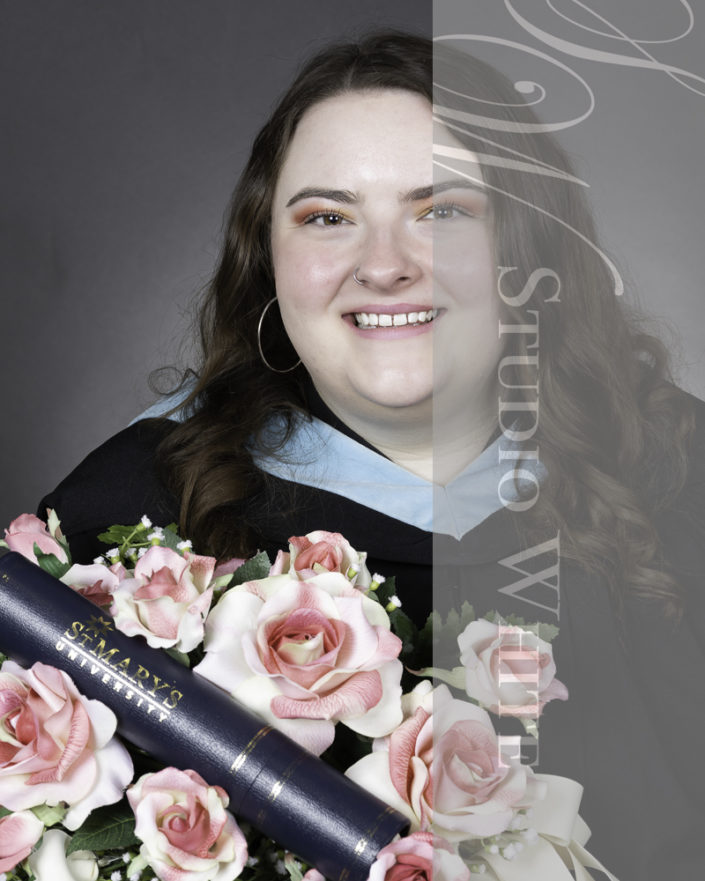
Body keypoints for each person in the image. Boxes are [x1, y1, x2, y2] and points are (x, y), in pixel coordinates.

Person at [38, 31, 704, 880]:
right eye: (327, 218)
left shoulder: (677, 470)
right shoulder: (132, 520)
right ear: (268, 259)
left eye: (442, 211)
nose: (384, 266)